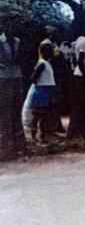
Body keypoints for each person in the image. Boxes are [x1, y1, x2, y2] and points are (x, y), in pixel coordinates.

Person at [0, 17, 25, 159]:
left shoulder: (17, 41)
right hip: (3, 78)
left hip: (16, 76)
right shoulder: (0, 40)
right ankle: (5, 147)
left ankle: (19, 145)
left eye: (13, 25)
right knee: (5, 111)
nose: (11, 27)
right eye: (8, 24)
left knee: (16, 110)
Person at [22, 43, 56, 145]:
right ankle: (33, 137)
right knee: (38, 115)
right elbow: (33, 77)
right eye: (50, 51)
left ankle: (41, 136)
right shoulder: (42, 64)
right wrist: (40, 85)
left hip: (46, 91)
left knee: (44, 116)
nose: (52, 52)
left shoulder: (47, 63)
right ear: (44, 52)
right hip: (41, 91)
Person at [67, 29, 85, 139]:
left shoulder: (80, 41)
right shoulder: (84, 41)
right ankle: (80, 133)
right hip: (82, 78)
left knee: (80, 105)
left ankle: (76, 132)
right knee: (82, 105)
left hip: (80, 76)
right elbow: (80, 60)